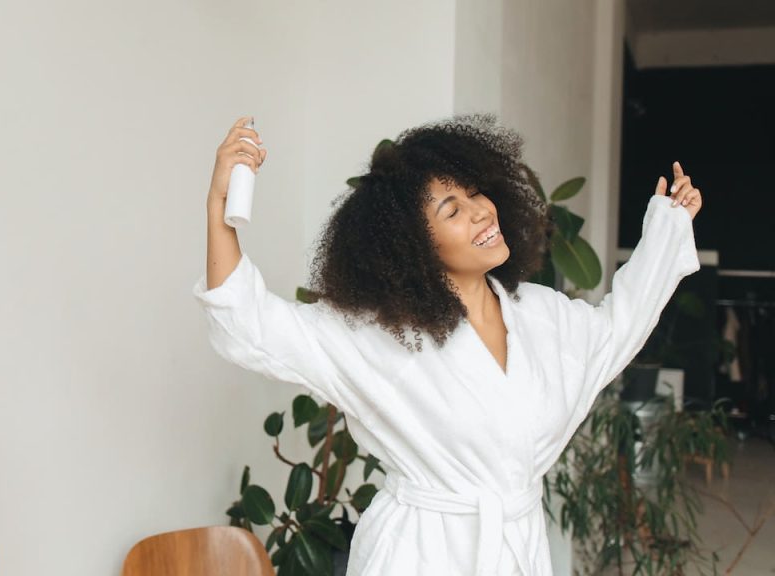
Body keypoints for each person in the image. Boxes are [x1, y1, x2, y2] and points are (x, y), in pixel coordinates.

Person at [192, 114, 703, 575]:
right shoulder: (379, 336)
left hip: (516, 551)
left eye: (477, 193)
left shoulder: (543, 316)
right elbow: (252, 323)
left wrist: (666, 231)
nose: (482, 211)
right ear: (413, 245)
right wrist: (220, 204)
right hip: (419, 554)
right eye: (452, 209)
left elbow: (619, 327)